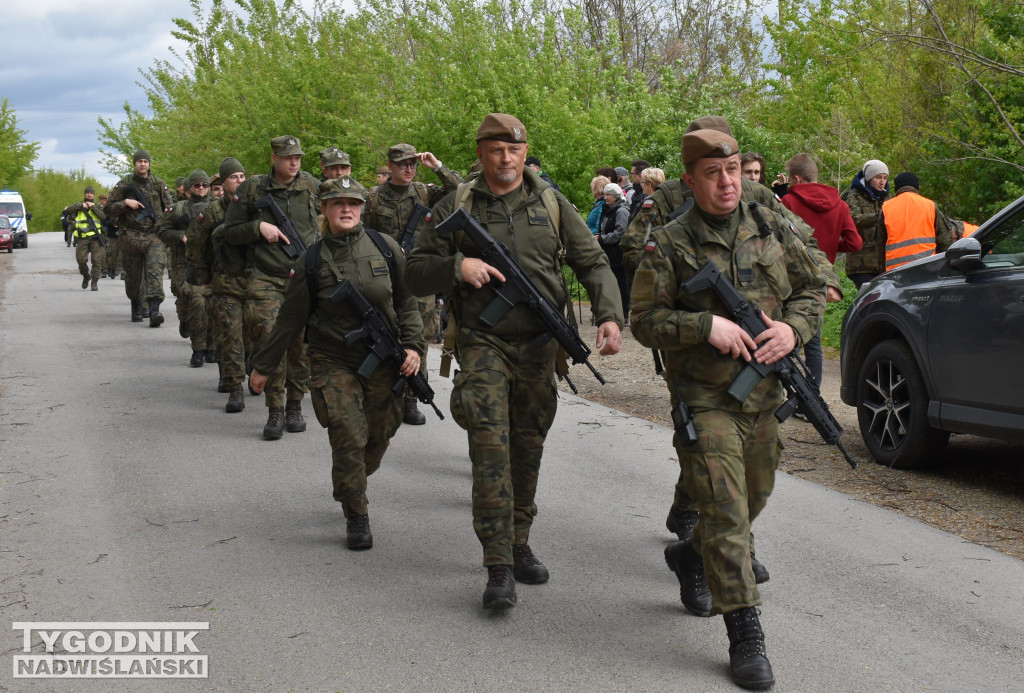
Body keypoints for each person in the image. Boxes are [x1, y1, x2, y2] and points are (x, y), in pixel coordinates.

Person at [631, 125, 826, 690]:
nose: (726, 182)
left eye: (734, 170)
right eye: (713, 173)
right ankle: (745, 632)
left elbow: (816, 286)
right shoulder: (666, 242)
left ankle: (692, 558)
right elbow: (644, 322)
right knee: (726, 511)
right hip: (705, 397)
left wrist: (793, 330)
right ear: (690, 180)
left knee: (754, 496)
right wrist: (704, 325)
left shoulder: (770, 225)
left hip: (762, 396)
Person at [406, 113, 624, 610]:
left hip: (540, 347)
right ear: (480, 153)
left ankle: (519, 538)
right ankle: (498, 563)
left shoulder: (551, 202)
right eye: (496, 150)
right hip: (484, 341)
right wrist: (457, 266)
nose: (506, 159)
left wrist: (609, 315)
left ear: (525, 152)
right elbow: (415, 272)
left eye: (515, 150)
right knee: (489, 444)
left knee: (527, 445)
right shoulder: (454, 204)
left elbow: (591, 260)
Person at [250, 176, 424, 549]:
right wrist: (264, 367)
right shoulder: (310, 260)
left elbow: (408, 301)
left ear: (362, 208)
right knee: (348, 433)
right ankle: (356, 512)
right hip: (333, 359)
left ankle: (353, 480)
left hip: (385, 359)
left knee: (379, 433)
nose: (347, 209)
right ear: (324, 210)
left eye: (354, 203)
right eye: (337, 203)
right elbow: (289, 320)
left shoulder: (385, 246)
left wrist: (414, 347)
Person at [222, 135, 322, 440]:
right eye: (288, 157)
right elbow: (229, 232)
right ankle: (275, 409)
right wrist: (257, 227)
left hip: (303, 277)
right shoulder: (253, 188)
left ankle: (295, 404)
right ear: (273, 158)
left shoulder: (311, 186)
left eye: (298, 158)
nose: (294, 163)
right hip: (266, 278)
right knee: (271, 339)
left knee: (301, 344)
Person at [363, 142, 462, 425]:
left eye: (412, 164)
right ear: (390, 166)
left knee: (417, 337)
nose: (409, 168)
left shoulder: (424, 192)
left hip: (420, 276)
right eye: (403, 164)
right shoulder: (373, 199)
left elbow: (459, 191)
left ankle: (411, 398)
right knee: (383, 334)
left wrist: (438, 166)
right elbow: (364, 236)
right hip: (384, 276)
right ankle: (380, 395)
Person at [780, 153, 861, 390]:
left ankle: (790, 392)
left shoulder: (789, 203)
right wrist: (830, 248)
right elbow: (855, 243)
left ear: (796, 178)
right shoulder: (840, 205)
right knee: (813, 340)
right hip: (821, 277)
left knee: (789, 333)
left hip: (791, 277)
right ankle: (812, 394)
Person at [186, 157, 250, 412]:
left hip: (256, 282)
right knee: (230, 336)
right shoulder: (211, 212)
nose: (239, 181)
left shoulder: (256, 209)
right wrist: (205, 280)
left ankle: (252, 372)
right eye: (234, 177)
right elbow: (195, 246)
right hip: (223, 282)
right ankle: (235, 388)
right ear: (222, 182)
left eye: (242, 177)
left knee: (254, 338)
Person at [104, 149, 173, 325]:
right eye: (139, 161)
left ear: (149, 164)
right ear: (134, 163)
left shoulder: (158, 183)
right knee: (133, 276)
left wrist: (162, 226)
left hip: (153, 236)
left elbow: (170, 209)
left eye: (146, 161)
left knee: (155, 272)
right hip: (130, 238)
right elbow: (108, 208)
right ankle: (136, 305)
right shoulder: (124, 184)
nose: (143, 164)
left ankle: (154, 310)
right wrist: (125, 203)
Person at [158, 169, 214, 367]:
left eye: (204, 185)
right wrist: (181, 235)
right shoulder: (179, 209)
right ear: (190, 187)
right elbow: (162, 230)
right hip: (184, 262)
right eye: (197, 185)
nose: (201, 188)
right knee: (184, 299)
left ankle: (204, 348)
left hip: (209, 264)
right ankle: (184, 320)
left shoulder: (215, 207)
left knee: (205, 305)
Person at [882, 172, 954, 271]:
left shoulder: (886, 208)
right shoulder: (929, 205)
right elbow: (945, 239)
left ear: (896, 189)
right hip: (927, 268)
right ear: (917, 187)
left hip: (895, 273)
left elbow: (879, 244)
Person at [841, 159, 889, 288]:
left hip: (884, 263)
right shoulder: (853, 196)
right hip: (861, 264)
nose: (882, 182)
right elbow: (852, 220)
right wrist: (880, 217)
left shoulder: (886, 198)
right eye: (878, 177)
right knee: (870, 300)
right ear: (869, 178)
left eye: (885, 178)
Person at [598, 182, 631, 322]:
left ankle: (624, 314)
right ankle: (613, 312)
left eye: (607, 195)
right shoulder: (609, 209)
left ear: (615, 196)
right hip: (609, 253)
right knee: (611, 283)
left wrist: (603, 238)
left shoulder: (621, 211)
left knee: (621, 283)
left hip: (618, 254)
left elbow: (621, 232)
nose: (605, 197)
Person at [67, 186, 107, 291]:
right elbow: (69, 211)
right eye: (87, 193)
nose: (89, 195)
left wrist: (92, 207)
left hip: (96, 238)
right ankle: (86, 275)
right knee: (81, 260)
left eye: (91, 193)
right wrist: (82, 205)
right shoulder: (78, 206)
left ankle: (94, 281)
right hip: (82, 238)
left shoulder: (98, 206)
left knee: (96, 260)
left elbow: (104, 217)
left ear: (94, 195)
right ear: (84, 194)